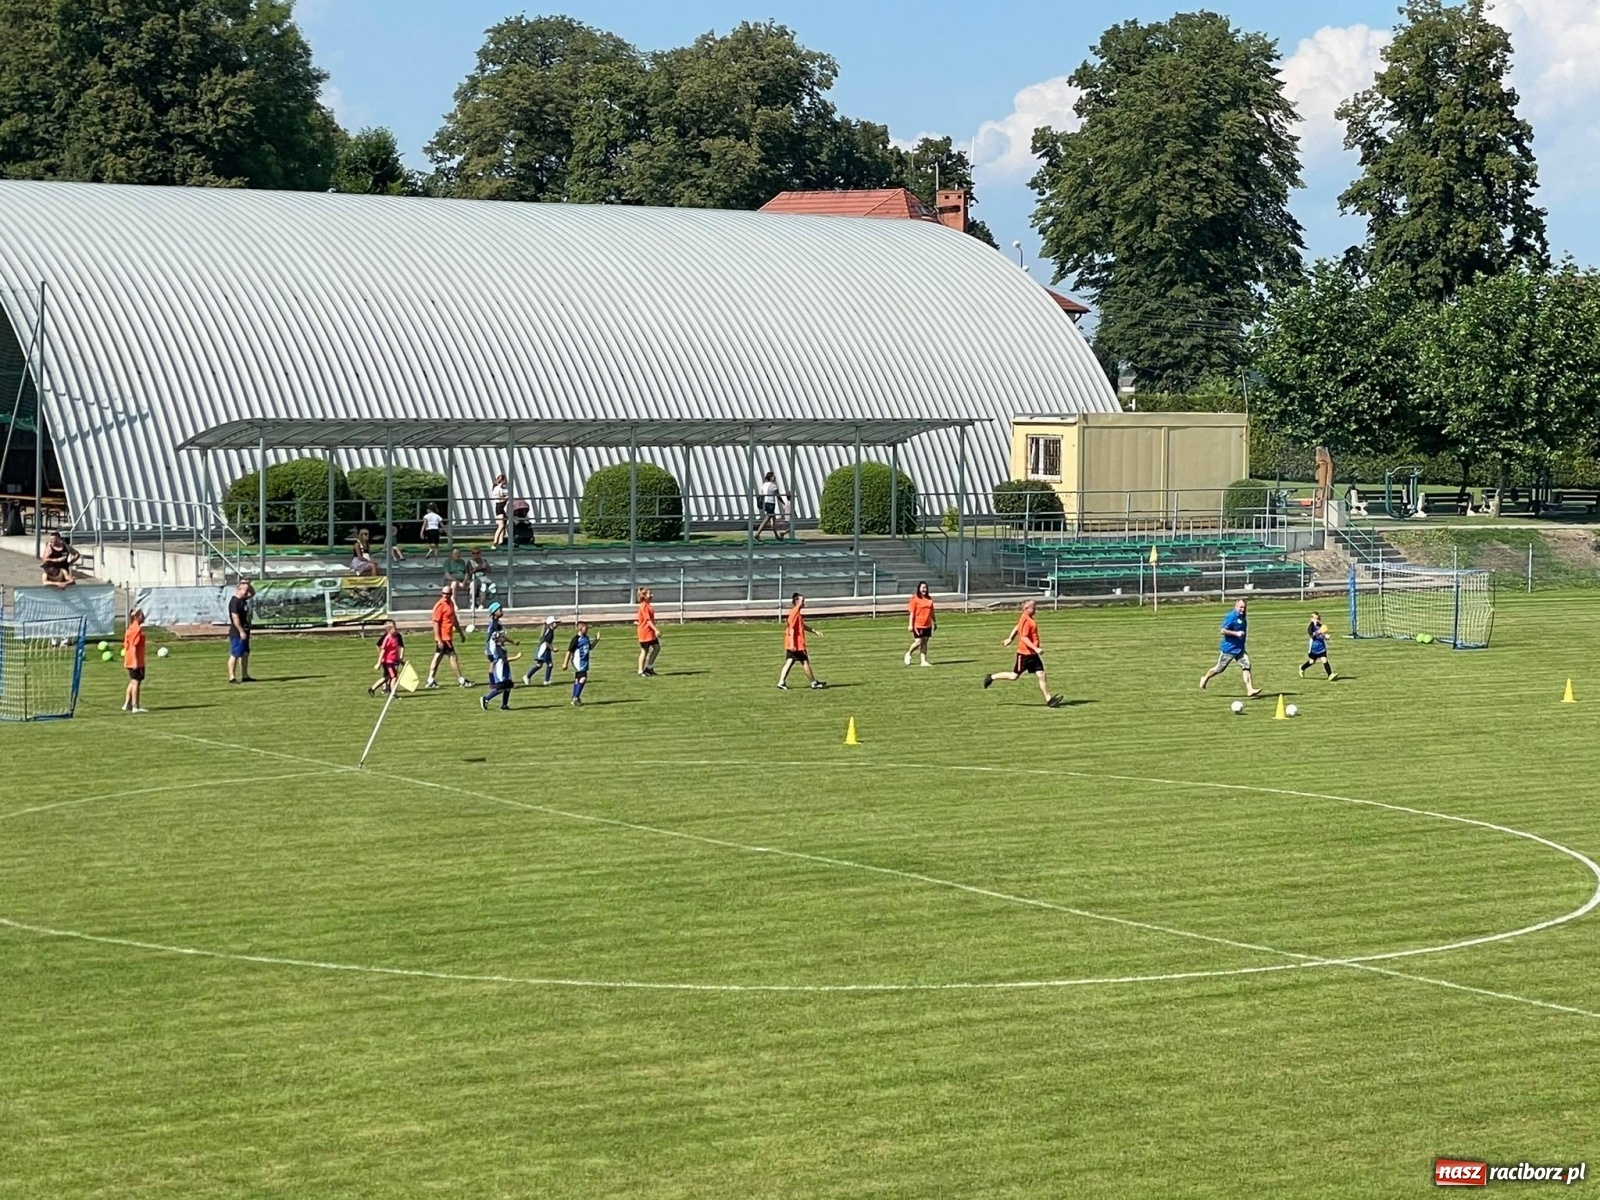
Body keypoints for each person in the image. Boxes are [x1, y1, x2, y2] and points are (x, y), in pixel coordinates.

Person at [983, 598, 1061, 706]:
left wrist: (1010, 638)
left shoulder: (1027, 618)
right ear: (1026, 608)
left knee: (1041, 674)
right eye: (1033, 608)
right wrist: (1036, 648)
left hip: (1033, 655)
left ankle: (1049, 700)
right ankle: (991, 677)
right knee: (1014, 676)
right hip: (1024, 655)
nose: (1035, 609)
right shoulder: (1026, 619)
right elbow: (1023, 637)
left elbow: (1017, 627)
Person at [1200, 598, 1263, 698]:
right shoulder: (1231, 616)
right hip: (1229, 649)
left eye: (1244, 607)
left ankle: (1249, 689)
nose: (1242, 609)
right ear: (1236, 606)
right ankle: (1205, 677)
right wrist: (1236, 633)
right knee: (1219, 669)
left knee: (1246, 665)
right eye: (1241, 607)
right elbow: (1223, 631)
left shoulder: (1242, 616)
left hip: (1240, 649)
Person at [776, 593, 825, 690]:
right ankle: (813, 683)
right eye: (802, 601)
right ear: (797, 601)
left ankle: (781, 682)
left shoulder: (796, 613)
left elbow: (802, 626)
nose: (804, 603)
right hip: (797, 644)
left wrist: (814, 631)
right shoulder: (795, 613)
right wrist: (793, 644)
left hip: (792, 643)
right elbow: (792, 629)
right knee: (804, 661)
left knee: (790, 661)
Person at [426, 585, 472, 689]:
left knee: (438, 656)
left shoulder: (450, 603)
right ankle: (461, 679)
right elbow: (435, 623)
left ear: (451, 594)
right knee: (452, 657)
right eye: (444, 593)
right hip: (444, 637)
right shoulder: (440, 605)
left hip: (448, 636)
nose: (445, 596)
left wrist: (460, 632)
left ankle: (430, 680)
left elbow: (454, 619)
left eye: (447, 594)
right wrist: (439, 640)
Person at [480, 628, 520, 711]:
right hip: (500, 669)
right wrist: (516, 657)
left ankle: (504, 705)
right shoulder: (498, 648)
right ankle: (486, 699)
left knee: (508, 687)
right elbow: (504, 659)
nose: (504, 638)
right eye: (503, 637)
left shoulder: (501, 646)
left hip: (505, 668)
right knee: (500, 688)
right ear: (498, 639)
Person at [563, 620, 597, 706]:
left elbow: (589, 647)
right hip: (578, 661)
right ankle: (576, 697)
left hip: (584, 662)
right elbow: (569, 651)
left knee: (578, 679)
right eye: (586, 627)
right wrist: (565, 663)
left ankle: (574, 697)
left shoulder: (586, 638)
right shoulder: (576, 639)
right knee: (583, 678)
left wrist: (596, 641)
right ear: (581, 628)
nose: (588, 629)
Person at [368, 619, 406, 697]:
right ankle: (393, 693)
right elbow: (382, 651)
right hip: (388, 662)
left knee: (386, 677)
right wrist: (379, 663)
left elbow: (395, 651)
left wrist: (400, 660)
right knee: (394, 677)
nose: (395, 630)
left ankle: (372, 689)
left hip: (393, 660)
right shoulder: (387, 639)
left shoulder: (395, 637)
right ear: (389, 630)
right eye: (393, 629)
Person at [227, 580, 255, 683]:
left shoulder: (243, 599)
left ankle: (245, 675)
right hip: (237, 632)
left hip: (246, 630)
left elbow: (253, 593)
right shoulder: (234, 602)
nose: (247, 592)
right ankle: (232, 677)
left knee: (245, 653)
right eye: (245, 590)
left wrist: (248, 584)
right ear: (239, 589)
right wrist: (241, 631)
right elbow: (235, 618)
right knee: (235, 654)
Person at [121, 607, 148, 713]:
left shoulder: (130, 628)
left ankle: (127, 704)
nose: (143, 616)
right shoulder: (136, 629)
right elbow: (134, 646)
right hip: (135, 660)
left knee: (132, 682)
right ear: (136, 617)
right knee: (136, 682)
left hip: (130, 659)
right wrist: (136, 662)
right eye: (141, 614)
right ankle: (135, 706)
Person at [905, 581, 936, 667]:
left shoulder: (929, 599)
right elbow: (912, 613)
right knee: (918, 642)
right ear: (919, 588)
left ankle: (923, 661)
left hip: (928, 625)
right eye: (923, 588)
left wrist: (935, 622)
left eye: (926, 588)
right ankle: (909, 653)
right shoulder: (915, 599)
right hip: (918, 625)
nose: (924, 589)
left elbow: (932, 612)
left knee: (925, 642)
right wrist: (910, 625)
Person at [523, 615, 560, 685]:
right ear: (551, 624)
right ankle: (546, 680)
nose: (557, 625)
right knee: (550, 664)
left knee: (539, 665)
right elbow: (546, 642)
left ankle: (528, 676)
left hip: (544, 649)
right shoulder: (550, 632)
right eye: (555, 623)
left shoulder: (549, 630)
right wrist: (553, 649)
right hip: (544, 650)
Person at [1300, 611, 1337, 681]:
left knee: (1325, 660)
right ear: (1312, 619)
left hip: (1321, 647)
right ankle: (1302, 668)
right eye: (1315, 618)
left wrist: (1326, 636)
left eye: (1318, 618)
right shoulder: (1310, 627)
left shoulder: (1320, 626)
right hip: (1314, 648)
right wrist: (1318, 632)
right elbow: (1312, 635)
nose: (1317, 620)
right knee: (1311, 662)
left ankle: (1330, 675)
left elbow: (1322, 635)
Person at [636, 588, 661, 676]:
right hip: (645, 632)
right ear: (644, 596)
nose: (652, 595)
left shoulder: (648, 605)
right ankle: (640, 671)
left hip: (649, 632)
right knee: (644, 651)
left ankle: (649, 668)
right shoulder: (644, 606)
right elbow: (647, 620)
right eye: (650, 594)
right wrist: (656, 630)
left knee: (657, 647)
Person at [755, 471, 783, 541]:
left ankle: (776, 536)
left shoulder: (763, 485)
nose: (775, 477)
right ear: (771, 477)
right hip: (771, 503)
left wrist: (760, 502)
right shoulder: (773, 485)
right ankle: (757, 534)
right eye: (773, 476)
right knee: (767, 519)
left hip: (766, 502)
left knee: (773, 519)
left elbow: (761, 495)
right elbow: (778, 495)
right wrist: (783, 502)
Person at [467, 547, 493, 611]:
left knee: (483, 586)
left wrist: (486, 566)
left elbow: (489, 570)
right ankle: (472, 603)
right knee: (473, 585)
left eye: (477, 553)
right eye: (473, 553)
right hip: (474, 579)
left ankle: (481, 604)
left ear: (480, 554)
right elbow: (470, 573)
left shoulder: (484, 561)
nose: (475, 555)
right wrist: (477, 568)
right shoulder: (470, 562)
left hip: (483, 579)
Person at [490, 473, 509, 547]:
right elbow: (497, 499)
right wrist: (505, 498)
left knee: (503, 526)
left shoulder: (504, 489)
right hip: (500, 507)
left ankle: (501, 541)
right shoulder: (497, 489)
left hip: (504, 507)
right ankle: (495, 542)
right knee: (501, 525)